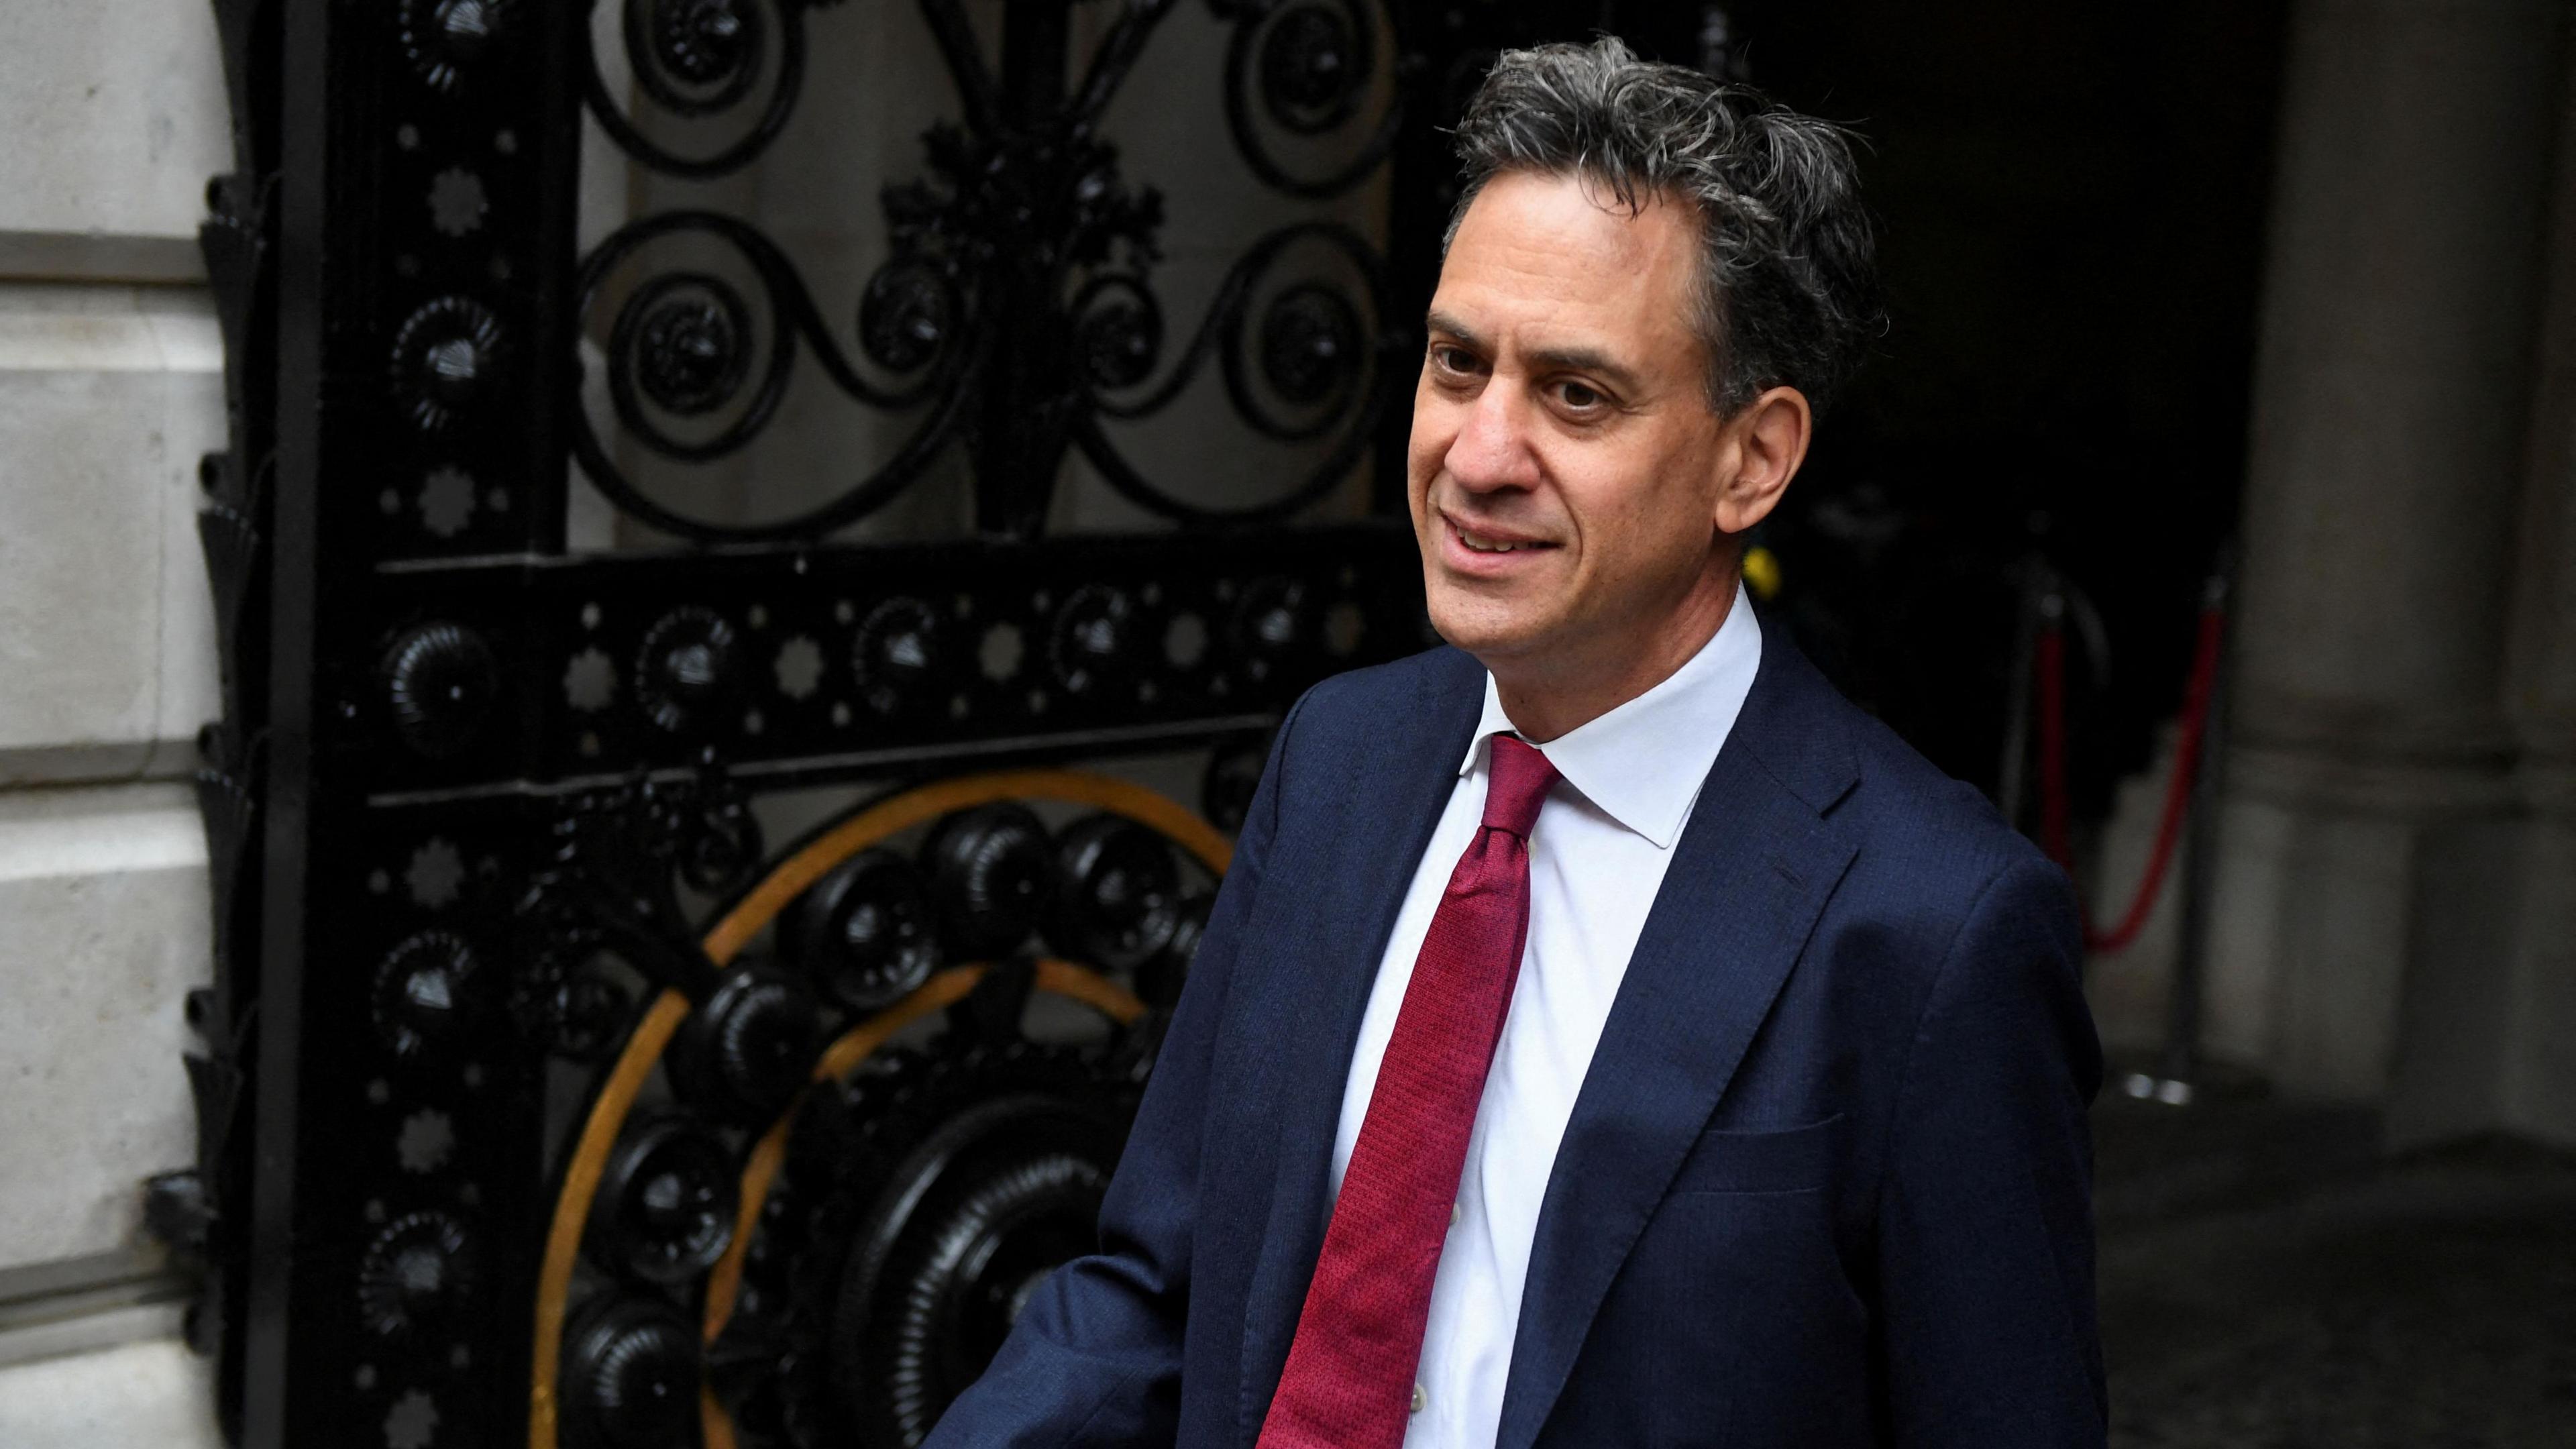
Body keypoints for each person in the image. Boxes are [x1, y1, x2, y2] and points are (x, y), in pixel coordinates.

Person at [926, 36, 2104, 1449]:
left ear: (1755, 459)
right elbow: (1165, 1286)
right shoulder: (1342, 759)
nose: (1479, 454)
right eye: (1455, 363)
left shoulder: (1933, 930)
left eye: (1577, 395)